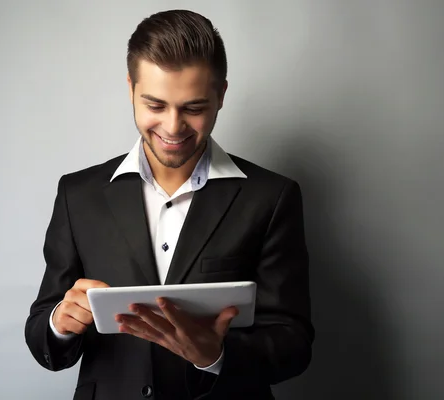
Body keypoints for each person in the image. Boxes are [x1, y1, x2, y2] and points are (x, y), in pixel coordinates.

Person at [24, 9, 314, 400]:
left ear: (221, 96)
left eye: (193, 108)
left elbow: (293, 344)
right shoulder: (78, 194)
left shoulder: (271, 197)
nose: (173, 127)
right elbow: (43, 333)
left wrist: (217, 355)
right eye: (155, 106)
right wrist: (60, 322)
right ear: (130, 89)